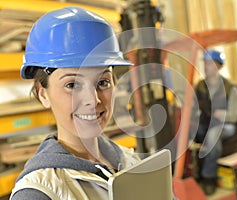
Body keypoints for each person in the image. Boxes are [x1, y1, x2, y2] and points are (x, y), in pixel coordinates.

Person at [10, 7, 140, 200]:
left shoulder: (130, 161)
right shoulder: (37, 192)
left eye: (103, 82)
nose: (93, 100)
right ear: (42, 93)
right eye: (72, 84)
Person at [193, 49, 237, 195]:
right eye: (206, 64)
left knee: (214, 134)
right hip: (205, 124)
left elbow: (234, 116)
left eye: (211, 64)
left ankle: (208, 177)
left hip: (225, 126)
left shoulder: (230, 88)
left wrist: (221, 115)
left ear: (219, 66)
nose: (207, 67)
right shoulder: (200, 86)